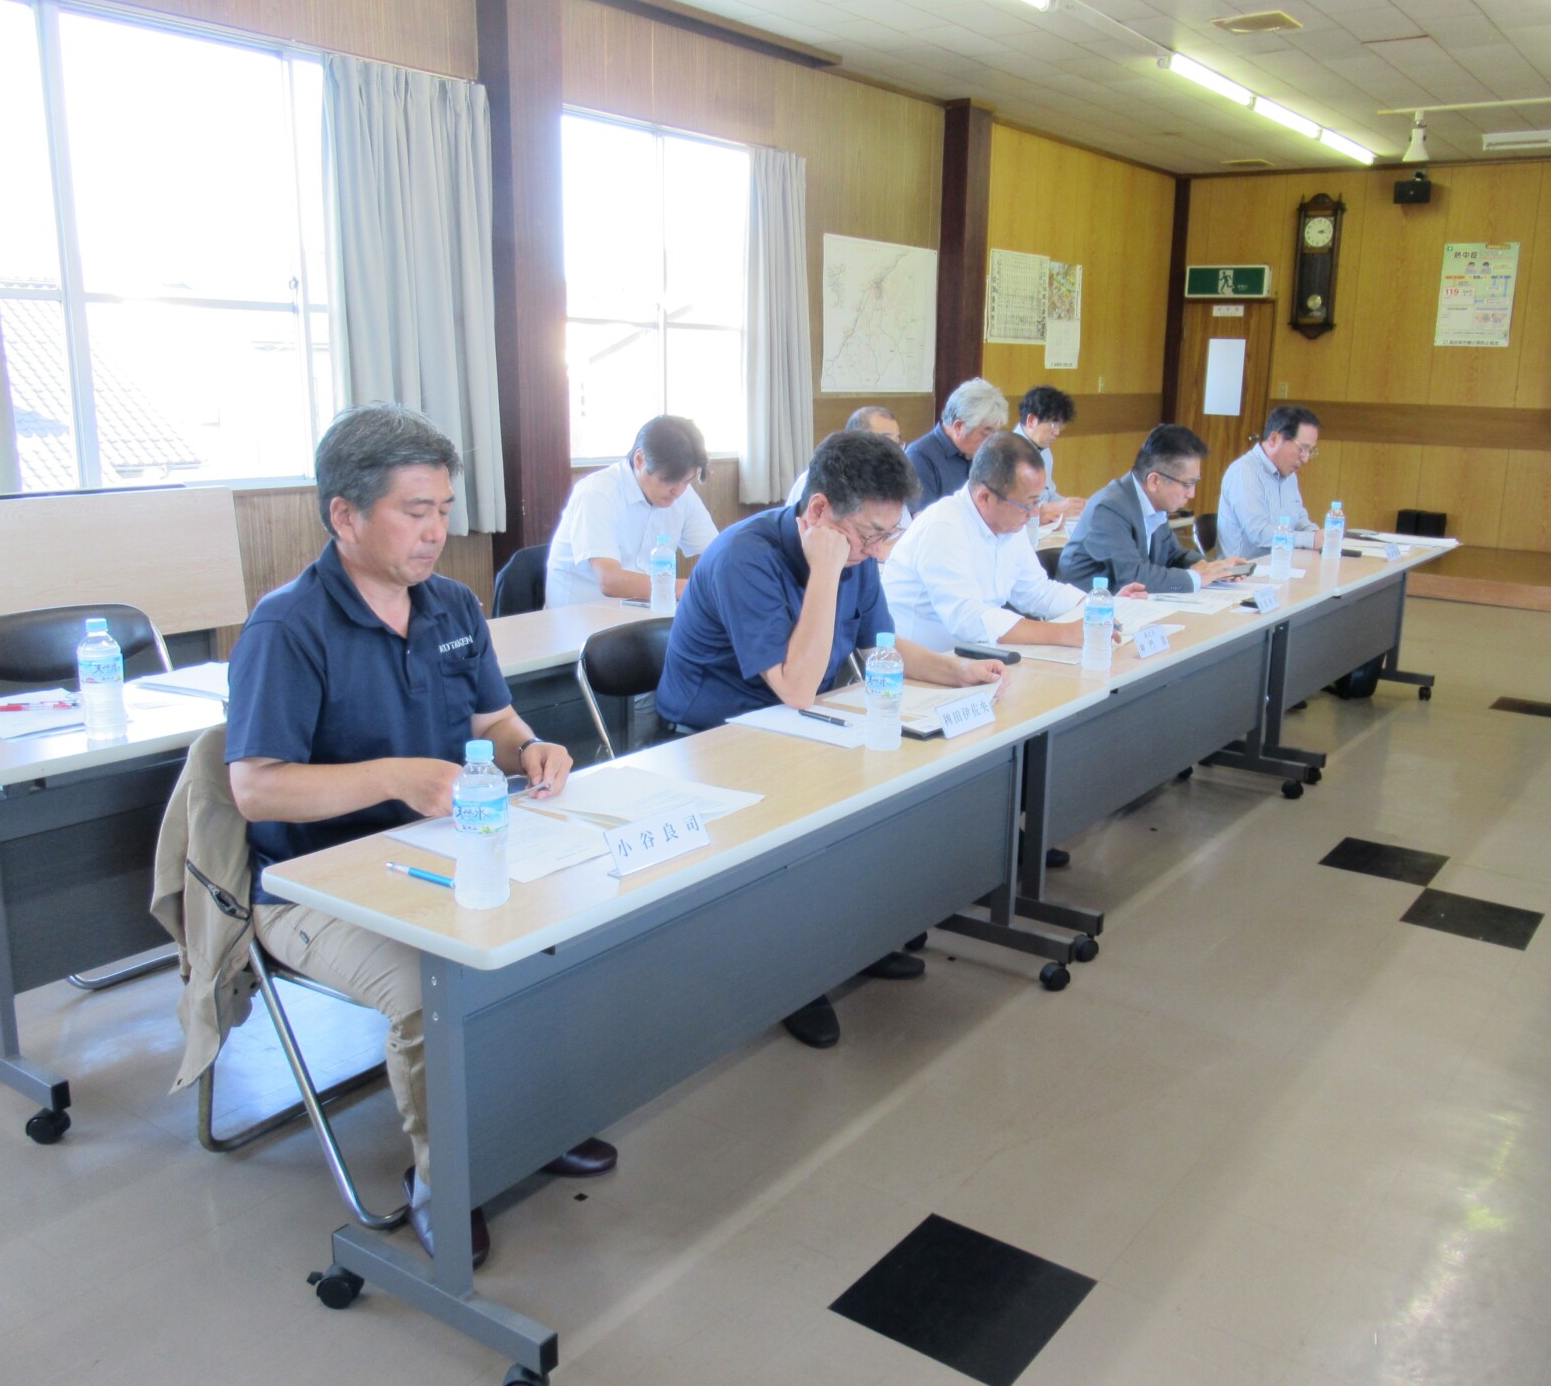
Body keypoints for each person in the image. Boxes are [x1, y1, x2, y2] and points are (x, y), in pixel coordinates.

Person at [225, 404, 615, 1268]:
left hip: (443, 851)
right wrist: (395, 776)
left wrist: (531, 746)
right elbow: (255, 787)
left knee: (561, 927)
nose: (437, 531)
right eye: (415, 511)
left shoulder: (452, 606)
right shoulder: (288, 627)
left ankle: (531, 1124)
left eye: (443, 509)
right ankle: (450, 1176)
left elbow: (495, 722)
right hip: (313, 885)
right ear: (345, 514)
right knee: (426, 988)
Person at [656, 430, 1007, 1048]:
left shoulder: (857, 556)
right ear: (818, 510)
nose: (877, 551)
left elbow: (880, 647)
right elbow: (796, 686)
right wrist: (824, 568)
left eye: (889, 535)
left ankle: (854, 942)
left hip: (793, 725)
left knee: (882, 789)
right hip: (712, 738)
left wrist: (958, 672)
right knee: (811, 820)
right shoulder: (747, 556)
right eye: (870, 535)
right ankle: (797, 978)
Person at [883, 433, 1146, 656]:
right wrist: (1063, 633)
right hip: (915, 671)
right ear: (985, 497)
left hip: (975, 658)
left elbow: (1036, 590)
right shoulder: (944, 525)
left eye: (1038, 501)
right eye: (1028, 504)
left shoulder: (1009, 522)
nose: (1035, 513)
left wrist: (1095, 606)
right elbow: (968, 618)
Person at [544, 415, 717, 606]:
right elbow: (609, 580)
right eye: (668, 480)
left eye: (686, 481)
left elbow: (719, 553)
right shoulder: (597, 493)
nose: (678, 491)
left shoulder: (683, 495)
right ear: (640, 460)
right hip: (581, 616)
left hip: (644, 611)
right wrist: (690, 589)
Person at [1059, 424, 1249, 592]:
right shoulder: (1109, 508)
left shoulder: (1152, 502)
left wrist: (1215, 568)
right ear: (1154, 481)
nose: (1192, 494)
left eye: (1195, 482)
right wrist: (1197, 578)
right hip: (1087, 610)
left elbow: (1173, 555)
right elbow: (1133, 577)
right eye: (1187, 484)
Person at [1216, 404, 1324, 560]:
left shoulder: (1289, 474)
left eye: (1310, 451)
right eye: (1302, 448)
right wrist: (1310, 540)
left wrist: (1317, 534)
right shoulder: (1244, 471)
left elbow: (1299, 519)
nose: (1305, 458)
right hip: (1245, 570)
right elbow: (1258, 533)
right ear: (1274, 439)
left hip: (1282, 563)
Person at [904, 377, 1008, 512]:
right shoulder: (920, 456)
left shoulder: (983, 453)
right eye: (986, 433)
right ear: (959, 427)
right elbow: (921, 517)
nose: (991, 441)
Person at [785, 405, 903, 507]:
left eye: (898, 443)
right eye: (887, 441)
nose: (896, 451)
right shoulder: (818, 479)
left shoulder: (892, 481)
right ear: (857, 442)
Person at [1014, 385, 1085, 524]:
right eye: (1053, 424)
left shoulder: (1044, 451)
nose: (1057, 432)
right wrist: (1054, 508)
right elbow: (1011, 509)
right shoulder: (1007, 454)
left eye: (1061, 426)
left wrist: (1077, 506)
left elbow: (1047, 494)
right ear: (1031, 420)